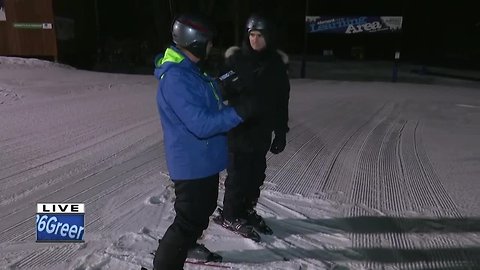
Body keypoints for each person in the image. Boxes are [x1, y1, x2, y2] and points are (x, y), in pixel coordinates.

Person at [152, 14, 255, 270]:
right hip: (191, 163)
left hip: (203, 160)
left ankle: (187, 244)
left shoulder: (189, 70)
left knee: (202, 212)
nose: (211, 46)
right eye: (208, 42)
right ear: (195, 42)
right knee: (187, 221)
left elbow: (203, 92)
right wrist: (240, 111)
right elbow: (201, 124)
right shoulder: (176, 78)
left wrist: (223, 85)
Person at [214, 14, 290, 241]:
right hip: (239, 128)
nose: (255, 40)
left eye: (260, 36)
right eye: (252, 35)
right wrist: (230, 85)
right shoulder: (236, 59)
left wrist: (281, 131)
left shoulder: (275, 64)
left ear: (269, 37)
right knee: (238, 174)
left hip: (262, 130)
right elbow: (219, 87)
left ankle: (246, 210)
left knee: (256, 174)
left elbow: (281, 100)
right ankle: (230, 214)